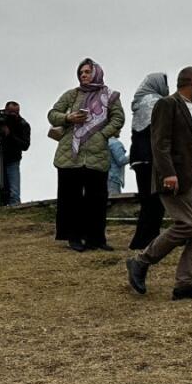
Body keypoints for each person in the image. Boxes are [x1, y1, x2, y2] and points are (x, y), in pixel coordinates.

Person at [126, 67, 192, 300]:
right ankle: (140, 262)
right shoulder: (167, 104)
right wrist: (168, 173)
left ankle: (184, 284)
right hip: (178, 178)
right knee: (187, 224)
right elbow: (159, 141)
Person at [48, 59, 125, 252]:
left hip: (96, 155)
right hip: (70, 155)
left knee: (97, 200)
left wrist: (102, 133)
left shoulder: (110, 96)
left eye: (88, 71)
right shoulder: (71, 94)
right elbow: (52, 113)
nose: (83, 75)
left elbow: (118, 118)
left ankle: (96, 239)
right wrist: (68, 117)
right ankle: (74, 237)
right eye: (81, 72)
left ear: (97, 73)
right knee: (70, 199)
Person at [128, 72, 170, 250]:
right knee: (155, 200)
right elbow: (161, 133)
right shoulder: (156, 102)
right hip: (152, 158)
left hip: (138, 158)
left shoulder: (140, 103)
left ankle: (141, 239)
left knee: (147, 200)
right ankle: (147, 239)